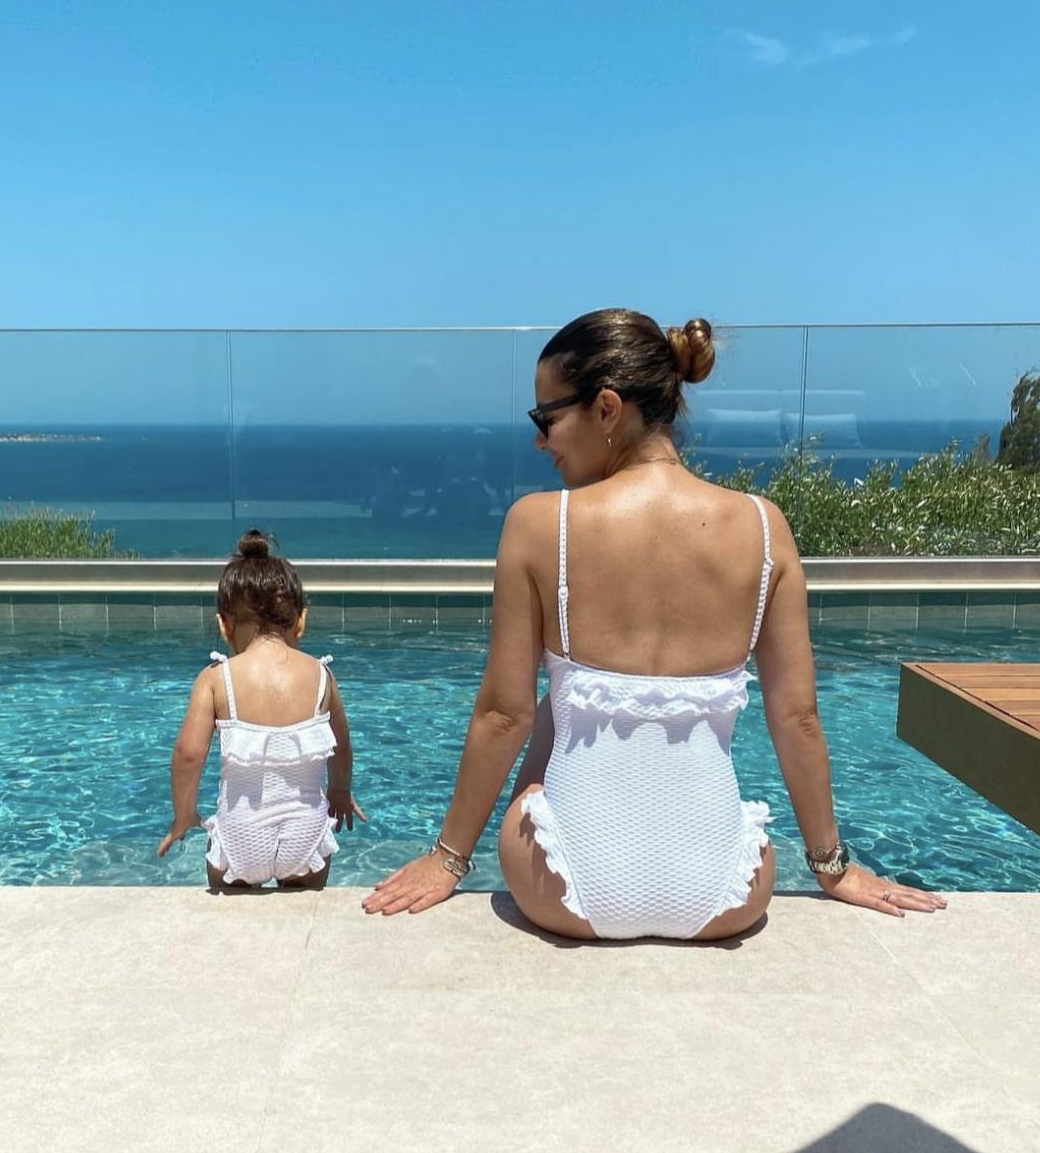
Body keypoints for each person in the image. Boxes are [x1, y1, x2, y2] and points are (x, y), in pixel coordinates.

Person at [364, 307, 948, 937]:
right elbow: (797, 717)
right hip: (730, 894)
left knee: (557, 702)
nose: (540, 441)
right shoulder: (764, 527)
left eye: (546, 418)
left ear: (607, 408)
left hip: (563, 889)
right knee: (569, 696)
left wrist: (447, 860)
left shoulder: (539, 525)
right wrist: (834, 868)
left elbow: (505, 715)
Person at [158, 529, 364, 890]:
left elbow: (189, 755)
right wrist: (340, 792)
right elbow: (342, 747)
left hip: (241, 835)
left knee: (231, 910)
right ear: (301, 619)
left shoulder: (216, 679)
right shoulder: (321, 676)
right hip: (305, 834)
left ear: (224, 624)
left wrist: (184, 815)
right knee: (304, 905)